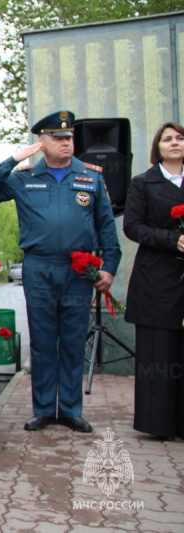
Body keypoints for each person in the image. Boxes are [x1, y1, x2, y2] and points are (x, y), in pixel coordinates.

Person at [0, 110, 121, 433]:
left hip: (78, 270)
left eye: (69, 138)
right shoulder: (24, 176)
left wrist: (109, 266)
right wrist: (13, 159)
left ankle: (70, 409)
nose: (66, 143)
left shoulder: (91, 177)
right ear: (41, 143)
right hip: (39, 267)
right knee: (43, 340)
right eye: (57, 138)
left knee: (72, 339)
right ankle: (43, 408)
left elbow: (106, 226)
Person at [123, 121, 184, 441]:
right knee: (159, 354)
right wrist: (171, 240)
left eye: (179, 138)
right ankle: (158, 423)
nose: (174, 143)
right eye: (167, 139)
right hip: (156, 281)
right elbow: (132, 227)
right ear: (158, 147)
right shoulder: (143, 183)